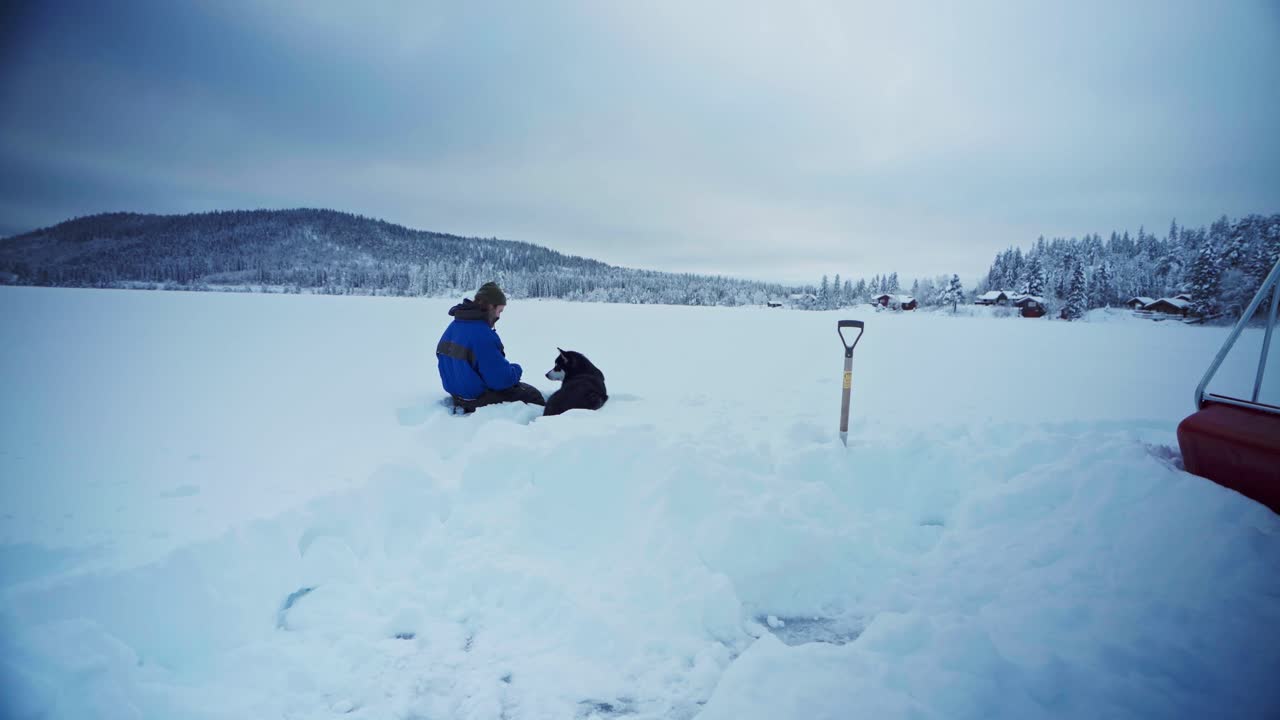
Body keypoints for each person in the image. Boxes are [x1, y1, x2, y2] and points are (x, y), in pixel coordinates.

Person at [437, 282, 545, 413]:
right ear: (490, 306)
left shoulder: (453, 326)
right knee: (533, 396)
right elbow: (501, 380)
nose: (499, 316)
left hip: (457, 395)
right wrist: (516, 370)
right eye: (499, 310)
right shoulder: (482, 334)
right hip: (476, 399)